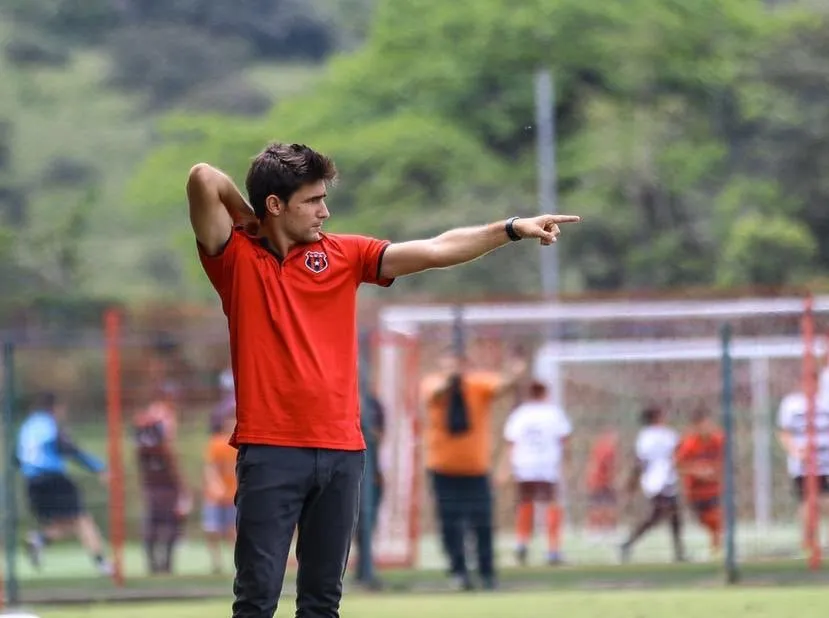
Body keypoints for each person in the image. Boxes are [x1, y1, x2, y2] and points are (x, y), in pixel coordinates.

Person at [186, 142, 579, 618]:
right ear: (275, 204)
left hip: (343, 452)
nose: (325, 211)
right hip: (271, 452)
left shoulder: (346, 254)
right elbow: (203, 176)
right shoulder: (236, 259)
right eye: (313, 201)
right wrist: (248, 219)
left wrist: (511, 229)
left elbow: (436, 249)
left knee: (322, 604)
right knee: (255, 601)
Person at [422, 351, 527, 590]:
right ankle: (458, 572)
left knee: (483, 523)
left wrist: (515, 372)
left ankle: (487, 573)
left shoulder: (477, 385)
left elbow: (503, 385)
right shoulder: (434, 383)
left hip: (476, 470)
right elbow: (435, 392)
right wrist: (451, 381)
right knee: (450, 524)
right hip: (443, 469)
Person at [16, 392, 113, 575]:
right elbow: (69, 449)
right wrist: (99, 467)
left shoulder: (27, 426)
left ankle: (39, 539)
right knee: (82, 520)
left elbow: (17, 458)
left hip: (32, 482)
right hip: (53, 479)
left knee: (65, 524)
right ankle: (102, 564)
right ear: (55, 408)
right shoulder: (49, 426)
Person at [496, 380, 572, 566]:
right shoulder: (554, 413)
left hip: (524, 464)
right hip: (547, 464)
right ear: (545, 393)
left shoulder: (520, 414)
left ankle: (521, 542)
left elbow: (511, 443)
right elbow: (564, 439)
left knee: (525, 502)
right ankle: (553, 550)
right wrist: (566, 463)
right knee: (552, 503)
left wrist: (504, 468)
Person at [132, 385, 190, 574]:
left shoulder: (145, 418)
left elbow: (139, 451)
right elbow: (168, 449)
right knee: (170, 520)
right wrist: (181, 483)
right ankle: (165, 565)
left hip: (150, 477)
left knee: (153, 521)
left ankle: (154, 564)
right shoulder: (164, 417)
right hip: (164, 477)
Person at [619, 406, 686, 564]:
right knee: (662, 514)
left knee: (670, 515)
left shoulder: (647, 437)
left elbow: (640, 461)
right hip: (658, 481)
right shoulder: (661, 435)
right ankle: (628, 543)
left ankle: (678, 552)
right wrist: (632, 482)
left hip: (661, 480)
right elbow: (679, 450)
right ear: (656, 418)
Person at [777, 370, 829, 553]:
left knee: (824, 501)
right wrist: (796, 452)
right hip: (803, 466)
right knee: (808, 502)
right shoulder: (791, 404)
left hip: (825, 463)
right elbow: (784, 433)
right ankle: (808, 542)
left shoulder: (825, 401)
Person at [675, 405, 725, 559]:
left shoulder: (718, 440)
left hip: (714, 489)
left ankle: (717, 549)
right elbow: (679, 465)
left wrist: (716, 472)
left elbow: (725, 460)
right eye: (703, 424)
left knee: (716, 518)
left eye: (708, 423)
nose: (707, 427)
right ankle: (716, 547)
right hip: (696, 491)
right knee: (705, 520)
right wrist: (698, 471)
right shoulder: (690, 444)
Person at [203, 413, 238, 574]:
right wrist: (215, 484)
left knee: (233, 530)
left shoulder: (241, 444)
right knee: (212, 529)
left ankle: (235, 562)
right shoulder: (217, 443)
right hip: (215, 496)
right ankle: (216, 563)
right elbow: (210, 467)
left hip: (233, 495)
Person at [584, 426, 619, 542]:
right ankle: (604, 529)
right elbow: (606, 465)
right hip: (601, 481)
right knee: (606, 505)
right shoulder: (609, 449)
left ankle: (595, 529)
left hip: (593, 480)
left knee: (596, 505)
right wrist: (611, 480)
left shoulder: (598, 446)